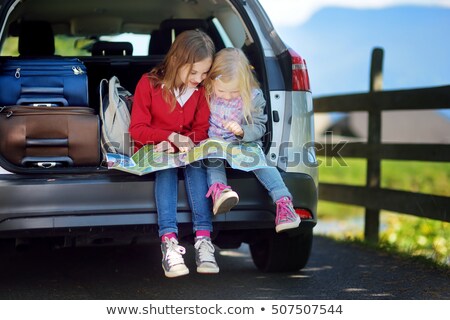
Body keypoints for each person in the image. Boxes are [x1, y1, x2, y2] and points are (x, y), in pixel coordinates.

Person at [129, 30, 218, 278]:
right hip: (157, 151)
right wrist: (168, 138)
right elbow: (137, 130)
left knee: (197, 165)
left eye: (204, 73)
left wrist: (187, 142)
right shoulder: (148, 84)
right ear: (177, 61)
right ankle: (169, 243)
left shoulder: (201, 91)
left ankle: (203, 240)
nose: (199, 79)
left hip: (187, 151)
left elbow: (202, 129)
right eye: (193, 72)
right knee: (166, 169)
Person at [204, 48, 301, 233]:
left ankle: (284, 204)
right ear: (211, 81)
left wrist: (242, 131)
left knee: (259, 162)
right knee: (213, 159)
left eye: (234, 91)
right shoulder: (207, 92)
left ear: (245, 83)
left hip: (243, 143)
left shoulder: (254, 97)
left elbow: (259, 127)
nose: (226, 95)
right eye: (222, 90)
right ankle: (221, 193)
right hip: (215, 142)